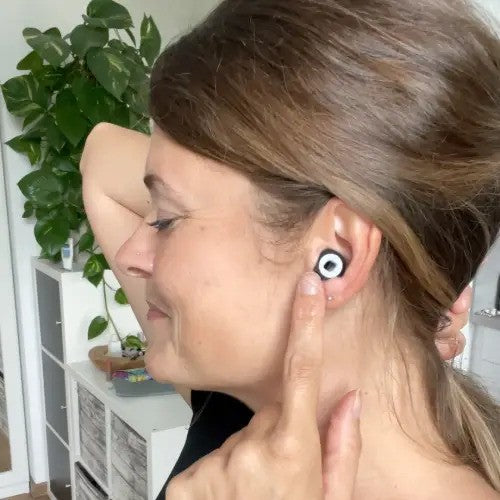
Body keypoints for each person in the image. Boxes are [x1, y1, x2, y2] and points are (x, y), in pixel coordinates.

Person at [80, 0, 500, 498]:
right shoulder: (246, 417)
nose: (130, 255)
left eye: (167, 219)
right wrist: (415, 271)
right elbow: (99, 156)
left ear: (337, 255)